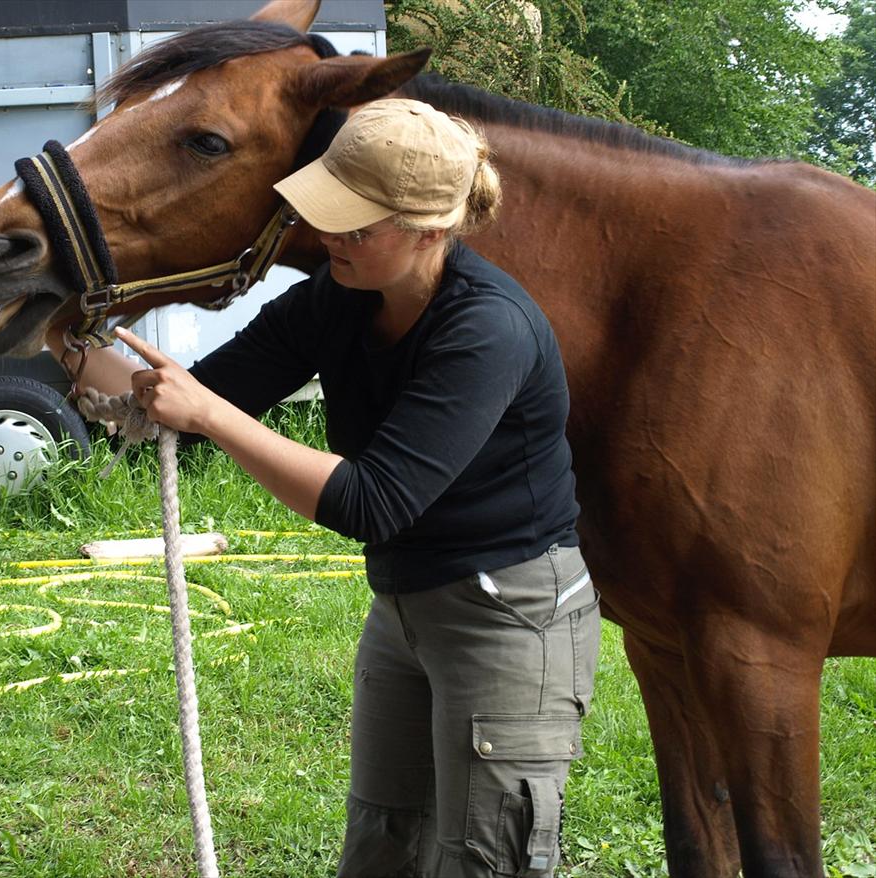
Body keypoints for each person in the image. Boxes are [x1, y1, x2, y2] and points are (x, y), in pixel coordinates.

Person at [54, 97, 600, 876]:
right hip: (406, 605)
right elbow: (188, 398)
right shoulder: (336, 296)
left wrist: (210, 415)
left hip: (509, 616)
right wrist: (58, 332)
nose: (328, 236)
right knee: (383, 845)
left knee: (486, 861)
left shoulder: (489, 329)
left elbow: (372, 501)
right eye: (327, 212)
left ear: (430, 229)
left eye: (356, 225)